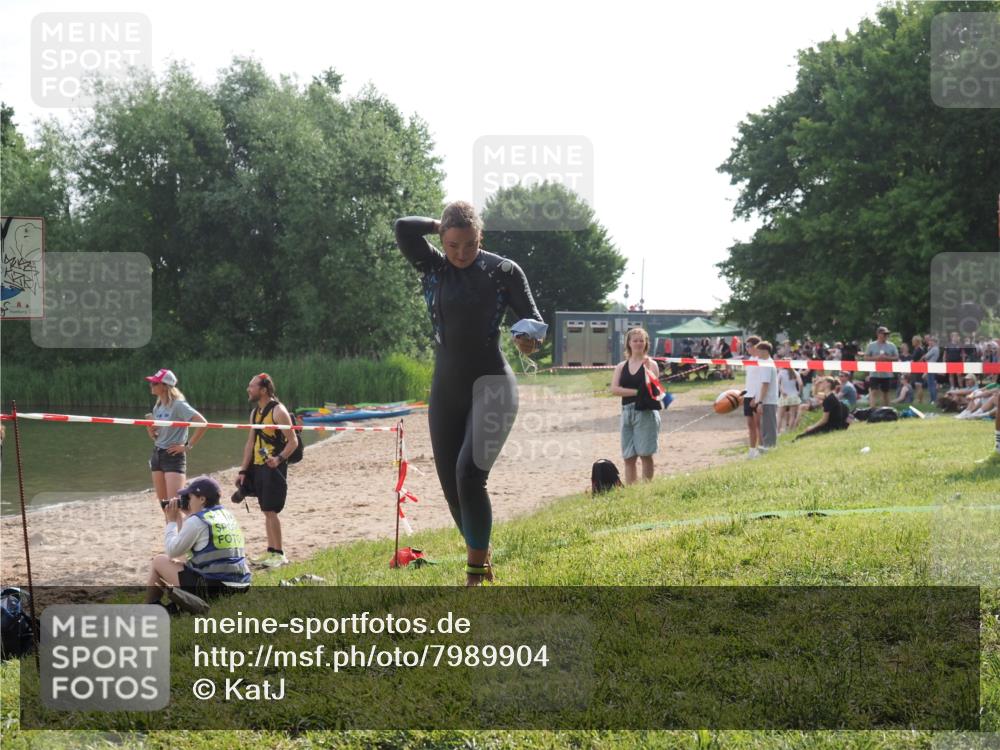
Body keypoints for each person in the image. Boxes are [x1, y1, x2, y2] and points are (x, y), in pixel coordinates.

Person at [395, 202, 544, 586]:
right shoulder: (433, 266)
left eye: (470, 244)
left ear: (482, 238)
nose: (460, 254)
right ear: (442, 240)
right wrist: (439, 223)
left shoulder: (503, 270)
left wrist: (528, 341)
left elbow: (534, 323)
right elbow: (402, 227)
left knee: (469, 474)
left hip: (493, 385)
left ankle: (475, 576)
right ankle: (482, 553)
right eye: (452, 244)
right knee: (452, 489)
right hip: (446, 389)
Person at [145, 476, 250, 609]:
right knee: (182, 561)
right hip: (241, 585)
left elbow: (172, 551)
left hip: (216, 589)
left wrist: (171, 521)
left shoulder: (197, 521)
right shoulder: (227, 515)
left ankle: (149, 607)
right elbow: (185, 553)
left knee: (159, 560)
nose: (188, 501)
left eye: (190, 497)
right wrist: (188, 516)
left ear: (202, 499)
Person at [235, 373, 299, 568]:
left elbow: (293, 441)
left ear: (263, 390)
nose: (248, 389)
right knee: (266, 510)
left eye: (252, 386)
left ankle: (279, 554)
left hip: (274, 468)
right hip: (258, 467)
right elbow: (250, 443)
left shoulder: (279, 411)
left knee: (271, 510)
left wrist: (278, 459)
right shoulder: (255, 413)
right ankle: (271, 550)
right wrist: (243, 470)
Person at [144, 369, 207, 511]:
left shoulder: (178, 405)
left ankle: (184, 532)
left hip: (173, 456)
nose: (151, 385)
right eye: (152, 382)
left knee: (175, 506)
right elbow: (156, 436)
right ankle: (170, 534)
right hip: (157, 454)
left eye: (155, 383)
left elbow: (203, 423)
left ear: (165, 386)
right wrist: (150, 429)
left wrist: (187, 445)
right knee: (165, 506)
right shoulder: (158, 406)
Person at [611, 327, 662, 484]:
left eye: (642, 340)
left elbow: (653, 388)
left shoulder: (651, 364)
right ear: (629, 343)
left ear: (646, 343)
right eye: (635, 340)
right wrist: (636, 392)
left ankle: (646, 488)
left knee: (645, 454)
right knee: (628, 456)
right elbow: (614, 389)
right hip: (626, 412)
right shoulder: (621, 366)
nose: (638, 343)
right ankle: (632, 489)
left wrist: (646, 373)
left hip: (645, 412)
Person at [752, 341, 779, 451]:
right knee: (766, 424)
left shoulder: (766, 364)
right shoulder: (766, 363)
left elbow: (765, 384)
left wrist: (760, 402)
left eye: (758, 350)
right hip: (767, 400)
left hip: (768, 400)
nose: (756, 353)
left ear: (764, 351)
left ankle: (770, 447)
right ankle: (767, 446)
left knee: (769, 425)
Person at [864, 326, 899, 408]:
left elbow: (896, 357)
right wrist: (877, 358)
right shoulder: (871, 345)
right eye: (884, 334)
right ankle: (872, 409)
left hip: (887, 374)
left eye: (887, 334)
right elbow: (865, 357)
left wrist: (886, 358)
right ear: (878, 334)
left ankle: (887, 410)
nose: (886, 335)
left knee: (886, 392)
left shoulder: (892, 345)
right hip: (874, 373)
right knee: (873, 391)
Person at [742, 335, 762, 458]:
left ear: (755, 346)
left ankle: (761, 449)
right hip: (748, 394)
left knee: (758, 424)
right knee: (750, 424)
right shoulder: (750, 359)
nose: (747, 348)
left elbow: (762, 381)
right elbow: (750, 379)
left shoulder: (761, 360)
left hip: (757, 395)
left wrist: (757, 397)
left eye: (749, 346)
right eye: (746, 346)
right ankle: (752, 450)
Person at [777, 364, 803, 433]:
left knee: (780, 415)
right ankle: (789, 432)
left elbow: (777, 383)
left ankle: (777, 431)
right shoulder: (795, 372)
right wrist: (799, 392)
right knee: (792, 415)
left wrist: (781, 391)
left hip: (785, 395)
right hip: (794, 395)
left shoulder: (781, 372)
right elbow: (800, 384)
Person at [921, 335, 940, 404]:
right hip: (931, 367)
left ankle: (933, 399)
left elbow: (925, 357)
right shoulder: (935, 349)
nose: (929, 342)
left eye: (931, 341)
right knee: (932, 384)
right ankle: (933, 399)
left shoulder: (934, 349)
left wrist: (928, 351)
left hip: (930, 367)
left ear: (934, 341)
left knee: (931, 384)